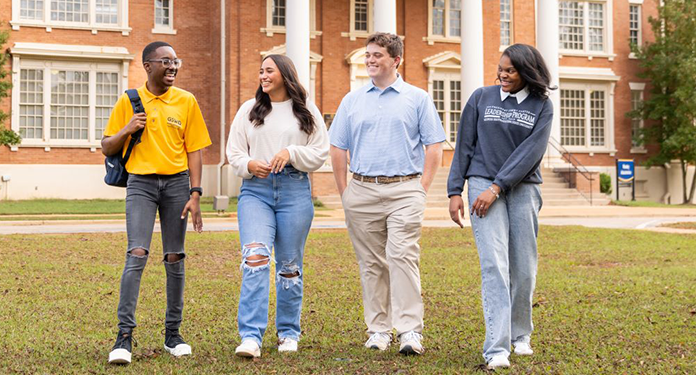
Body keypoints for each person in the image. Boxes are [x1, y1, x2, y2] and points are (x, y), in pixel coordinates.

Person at [329, 32, 447, 356]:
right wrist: (345, 193)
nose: (370, 60)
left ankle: (410, 330)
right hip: (362, 189)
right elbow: (337, 146)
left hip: (405, 189)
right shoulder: (352, 100)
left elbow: (434, 145)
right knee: (371, 263)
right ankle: (379, 330)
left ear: (396, 60)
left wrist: (421, 188)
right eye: (368, 54)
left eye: (377, 55)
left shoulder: (417, 98)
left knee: (401, 255)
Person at [102, 41, 212, 366]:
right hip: (141, 184)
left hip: (178, 184)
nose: (173, 67)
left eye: (176, 61)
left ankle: (173, 334)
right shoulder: (130, 100)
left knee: (175, 257)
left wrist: (196, 193)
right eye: (166, 61)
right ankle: (124, 337)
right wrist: (128, 128)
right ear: (148, 66)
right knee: (136, 253)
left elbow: (195, 149)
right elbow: (107, 145)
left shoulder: (187, 101)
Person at [447, 43, 554, 370]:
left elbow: (531, 153)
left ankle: (520, 335)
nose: (502, 75)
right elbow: (464, 144)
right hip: (480, 182)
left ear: (526, 71)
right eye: (500, 69)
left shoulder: (541, 106)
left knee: (523, 266)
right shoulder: (481, 98)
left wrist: (498, 186)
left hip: (522, 189)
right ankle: (496, 348)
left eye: (510, 70)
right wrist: (455, 190)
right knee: (494, 265)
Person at [226, 54, 329, 358]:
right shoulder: (250, 109)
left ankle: (287, 333)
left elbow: (320, 151)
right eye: (260, 71)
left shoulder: (306, 109)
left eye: (269, 70)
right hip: (256, 192)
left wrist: (291, 151)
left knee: (289, 267)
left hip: (294, 190)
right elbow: (234, 153)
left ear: (284, 74)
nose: (263, 75)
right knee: (255, 257)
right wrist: (249, 163)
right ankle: (251, 336)